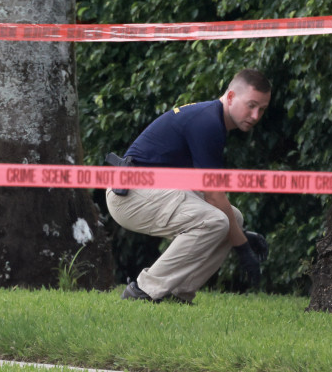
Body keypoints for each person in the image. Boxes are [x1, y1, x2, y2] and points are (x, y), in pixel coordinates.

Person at [106, 68, 271, 304]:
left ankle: (178, 294)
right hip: (128, 196)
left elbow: (210, 193)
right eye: (251, 105)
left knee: (234, 217)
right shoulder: (208, 123)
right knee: (215, 221)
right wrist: (242, 248)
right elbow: (214, 196)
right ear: (232, 97)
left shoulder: (212, 119)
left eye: (262, 109)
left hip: (152, 191)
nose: (255, 115)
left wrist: (239, 234)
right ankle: (143, 291)